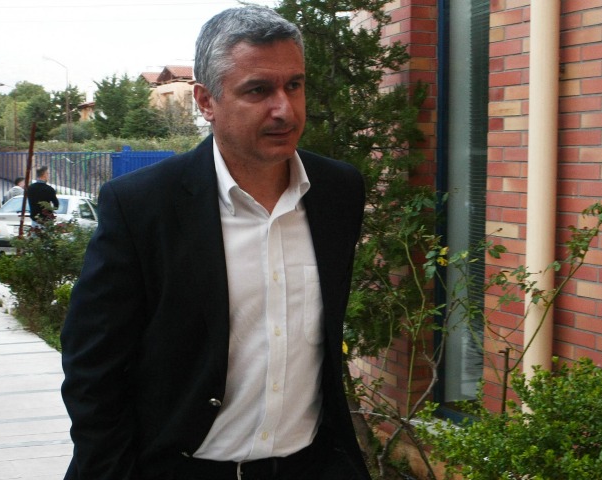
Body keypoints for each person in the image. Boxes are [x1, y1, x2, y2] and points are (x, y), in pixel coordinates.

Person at [60, 5, 371, 480]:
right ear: (206, 101)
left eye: (294, 85)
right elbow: (92, 369)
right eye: (258, 90)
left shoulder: (338, 191)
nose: (285, 109)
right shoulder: (142, 205)